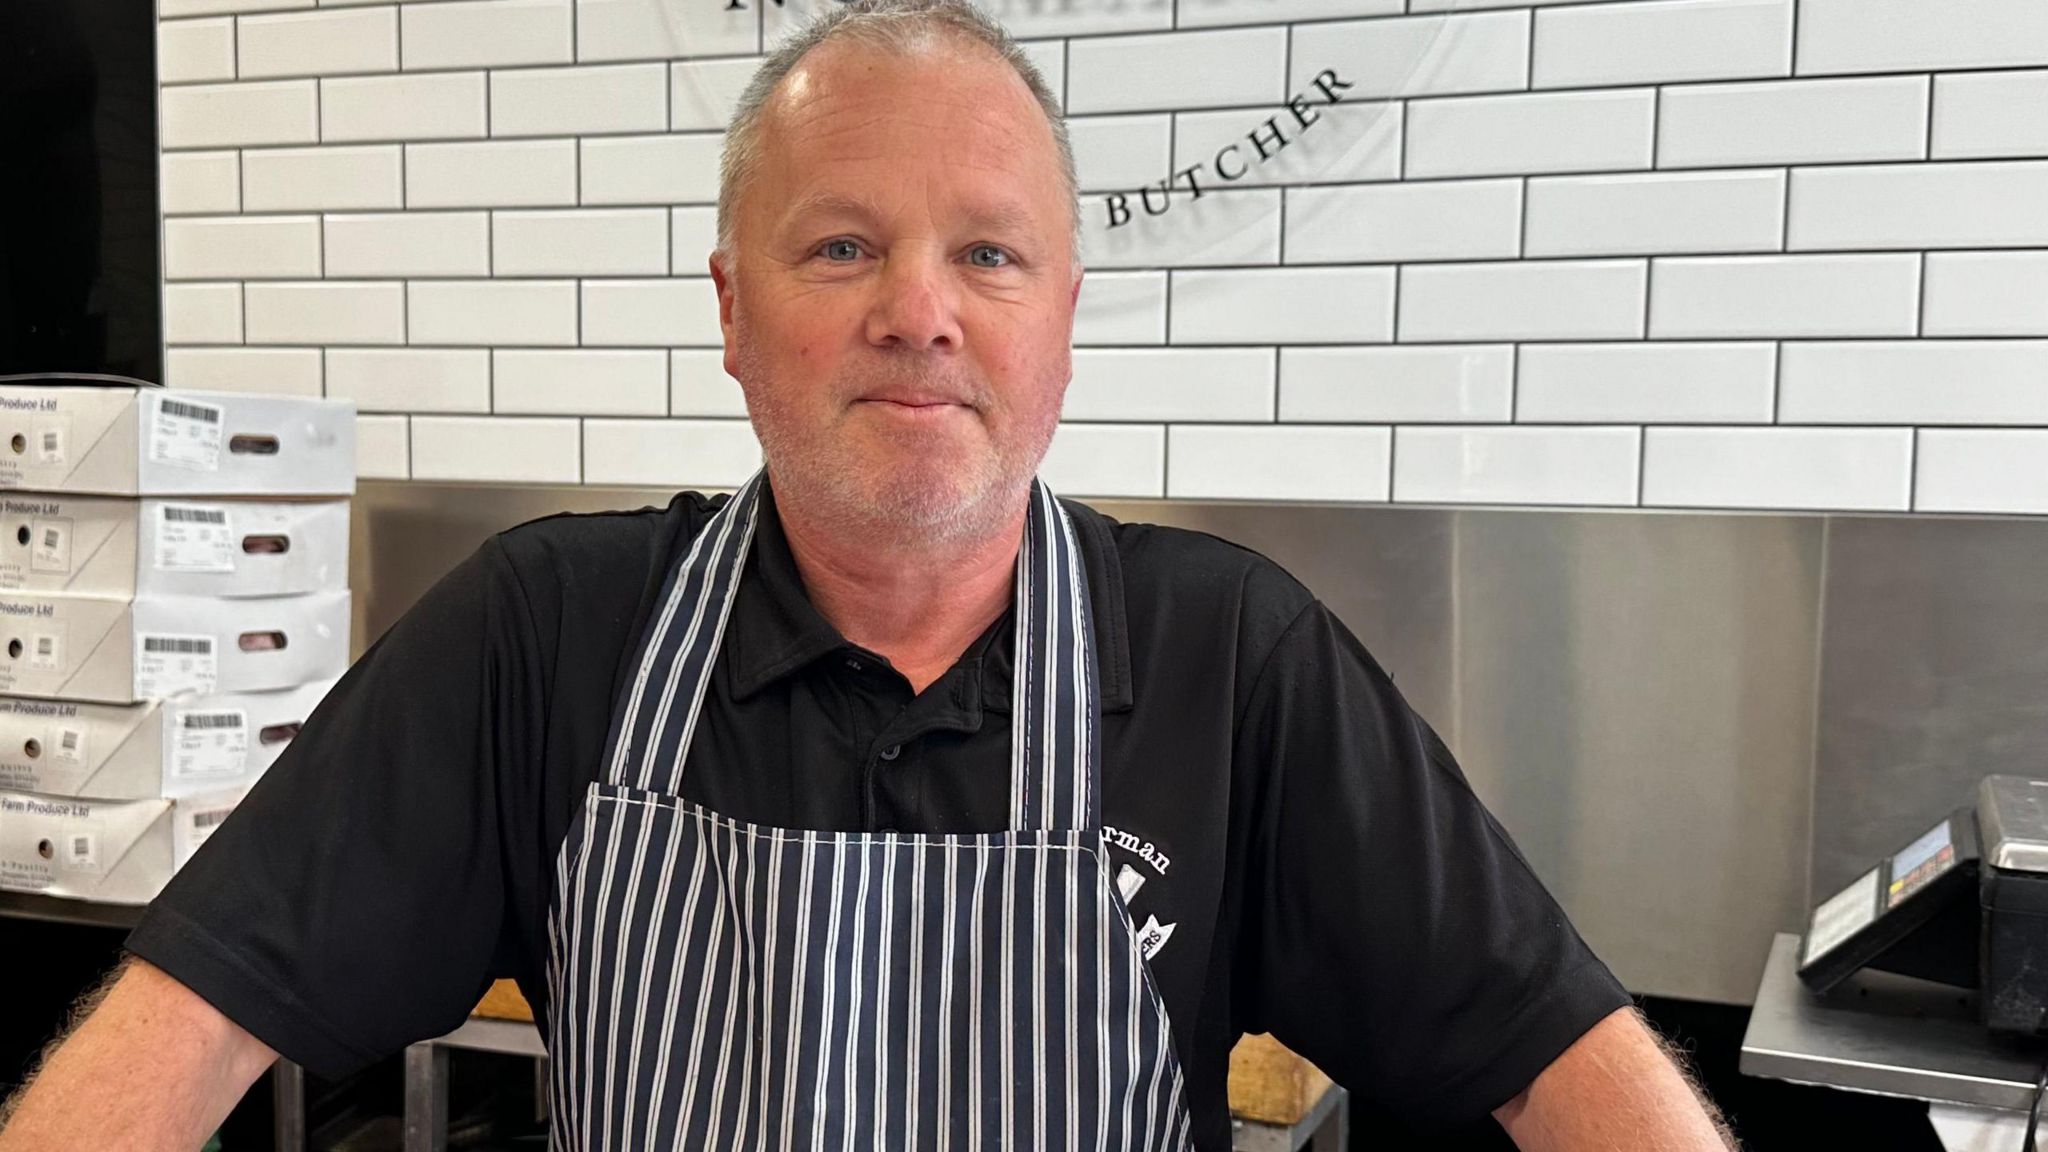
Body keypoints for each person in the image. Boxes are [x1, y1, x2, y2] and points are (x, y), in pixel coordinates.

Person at [0, 1, 1735, 1147]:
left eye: (989, 252)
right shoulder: (549, 636)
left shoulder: (1232, 663)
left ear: (1060, 329)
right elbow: (179, 1034)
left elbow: (1565, 1061)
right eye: (842, 246)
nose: (921, 307)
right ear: (734, 314)